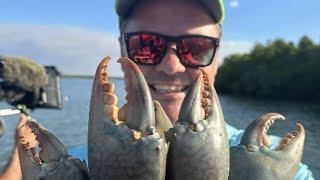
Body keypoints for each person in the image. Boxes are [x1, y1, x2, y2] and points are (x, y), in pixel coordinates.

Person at [1, 0, 315, 179]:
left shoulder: (285, 170)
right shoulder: (75, 164)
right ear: (121, 48)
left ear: (218, 56)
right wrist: (18, 152)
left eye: (195, 48)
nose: (171, 65)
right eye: (147, 45)